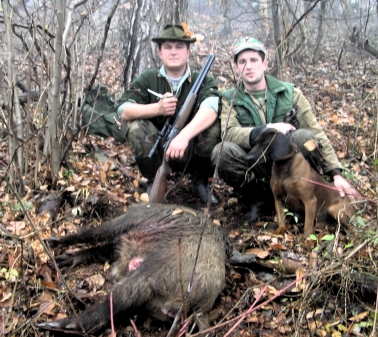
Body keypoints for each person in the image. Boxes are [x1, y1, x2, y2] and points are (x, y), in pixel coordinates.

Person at [211, 37, 358, 221]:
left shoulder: (289, 93)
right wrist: (267, 129)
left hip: (291, 168)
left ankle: (301, 199)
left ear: (265, 63)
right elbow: (229, 133)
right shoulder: (230, 98)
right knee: (221, 152)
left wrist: (336, 173)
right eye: (242, 62)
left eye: (254, 60)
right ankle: (258, 200)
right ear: (236, 67)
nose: (248, 66)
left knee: (305, 136)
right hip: (257, 165)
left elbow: (316, 132)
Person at [118, 24, 220, 203]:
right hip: (158, 150)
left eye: (179, 47)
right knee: (135, 127)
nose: (174, 52)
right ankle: (153, 179)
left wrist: (184, 136)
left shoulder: (202, 79)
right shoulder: (148, 78)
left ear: (188, 52)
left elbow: (211, 108)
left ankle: (200, 181)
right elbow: (123, 110)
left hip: (190, 150)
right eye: (168, 47)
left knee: (214, 127)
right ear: (160, 53)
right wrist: (157, 109)